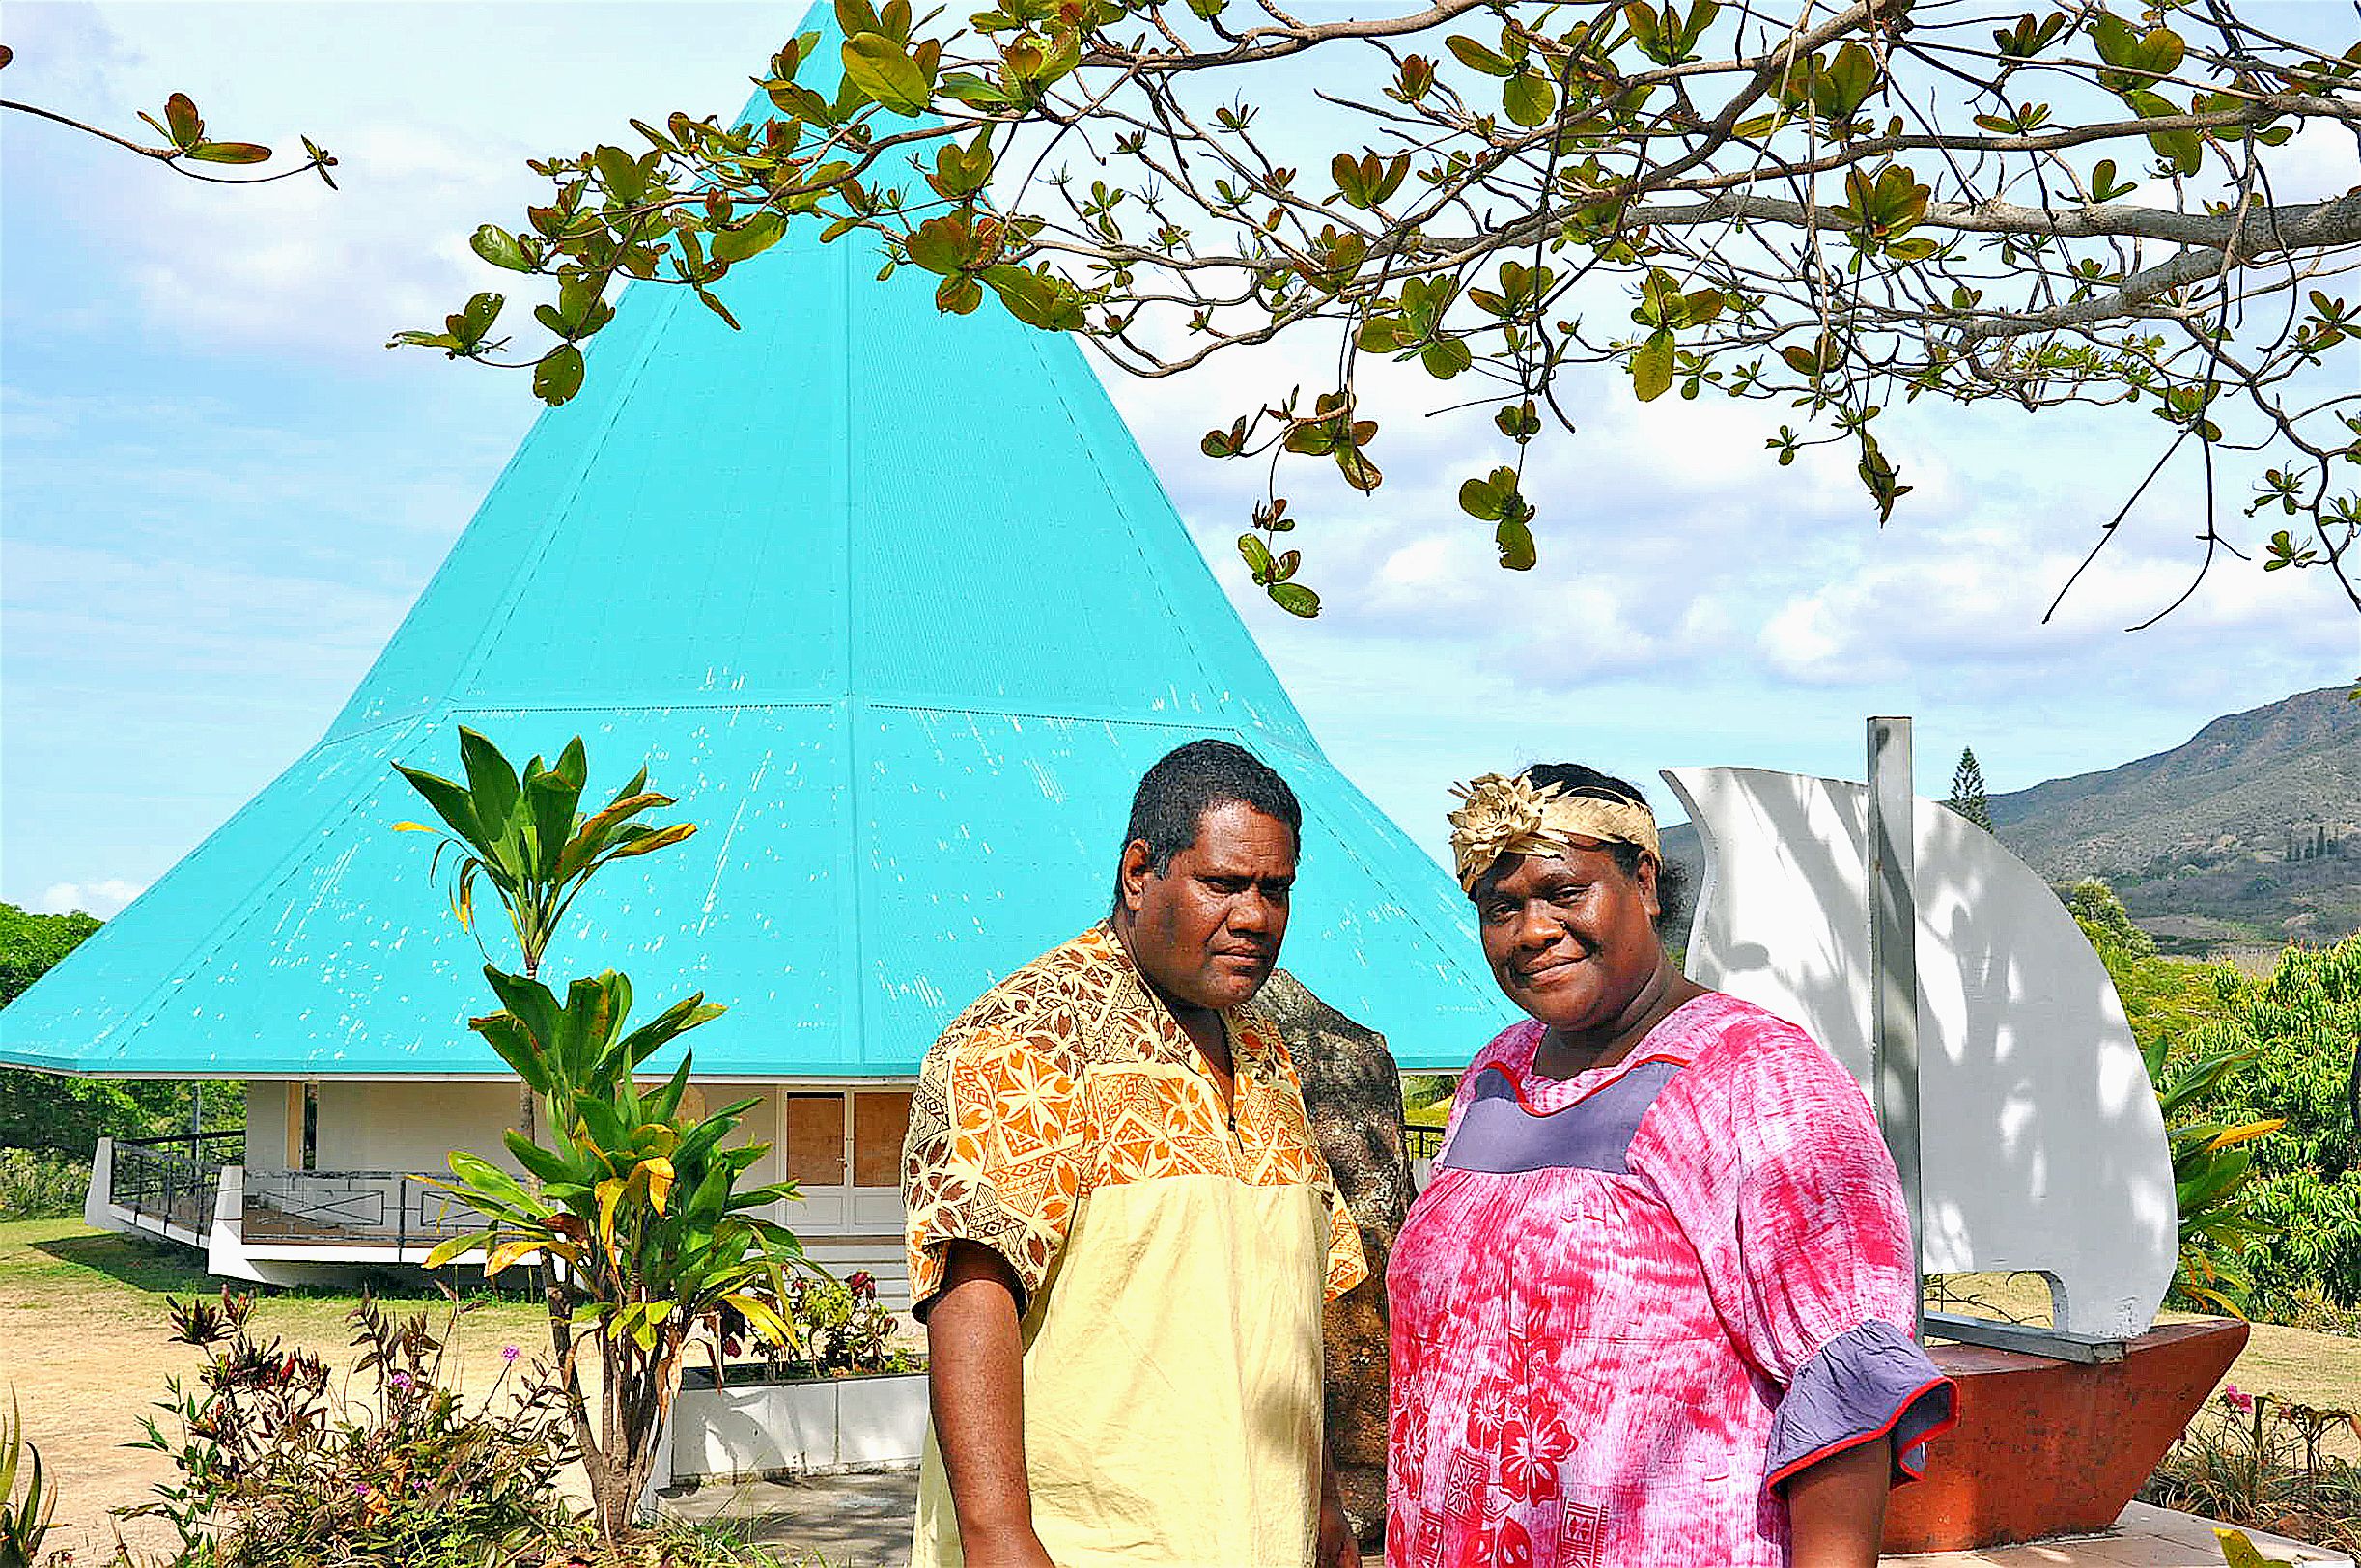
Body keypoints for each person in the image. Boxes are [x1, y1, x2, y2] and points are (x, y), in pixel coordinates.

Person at [1386, 765, 1957, 1568]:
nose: (1532, 930)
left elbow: (1843, 1384)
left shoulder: (1755, 1075)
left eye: (1564, 892)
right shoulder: (1493, 1074)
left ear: (1645, 882)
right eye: (1500, 908)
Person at [902, 739, 1368, 1568]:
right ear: (1138, 872)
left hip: (1261, 1537)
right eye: (1222, 883)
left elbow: (1283, 1318)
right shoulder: (1025, 1037)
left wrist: (1322, 1500)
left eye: (1275, 889)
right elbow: (971, 1293)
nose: (1255, 917)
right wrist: (998, 1535)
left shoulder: (1264, 1050)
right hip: (1089, 1542)